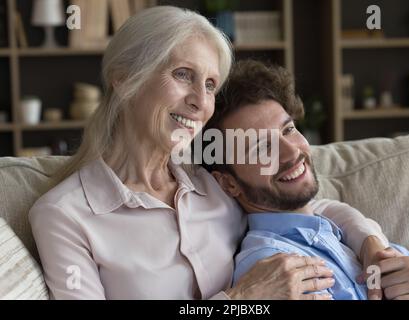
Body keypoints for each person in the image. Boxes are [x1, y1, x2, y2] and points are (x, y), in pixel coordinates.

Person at [30, 6, 390, 300]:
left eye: (210, 85)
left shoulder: (213, 181)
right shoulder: (65, 215)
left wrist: (371, 244)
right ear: (124, 78)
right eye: (183, 74)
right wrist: (241, 301)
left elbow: (312, 206)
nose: (201, 102)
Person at [204, 59, 409, 300]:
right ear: (229, 183)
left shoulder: (350, 238)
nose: (293, 152)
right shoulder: (273, 271)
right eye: (262, 148)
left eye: (288, 129)